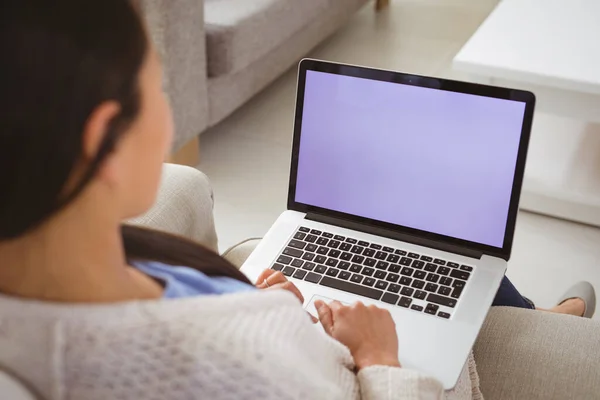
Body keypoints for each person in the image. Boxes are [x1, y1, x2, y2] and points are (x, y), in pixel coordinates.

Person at [0, 1, 595, 399]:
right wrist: (378, 359)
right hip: (362, 354)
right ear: (103, 139)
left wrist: (243, 300)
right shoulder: (240, 368)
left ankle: (540, 313)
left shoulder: (51, 280)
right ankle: (549, 320)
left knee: (445, 250)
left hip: (271, 307)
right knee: (453, 247)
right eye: (157, 85)